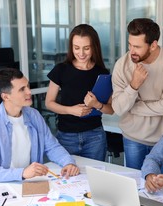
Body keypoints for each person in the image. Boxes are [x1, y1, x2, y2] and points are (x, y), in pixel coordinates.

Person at [0, 68, 79, 187]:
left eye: (28, 86)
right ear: (6, 96)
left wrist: (68, 163)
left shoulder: (34, 115)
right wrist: (22, 173)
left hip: (29, 183)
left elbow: (52, 146)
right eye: (22, 89)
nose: (29, 92)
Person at [112, 18, 163, 171]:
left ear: (153, 45)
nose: (131, 51)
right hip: (133, 138)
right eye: (130, 45)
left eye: (137, 46)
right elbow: (118, 108)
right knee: (136, 189)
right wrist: (133, 86)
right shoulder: (122, 65)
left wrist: (132, 107)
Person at [45, 24, 113, 162]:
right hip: (66, 136)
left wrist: (97, 104)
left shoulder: (102, 74)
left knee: (95, 179)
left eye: (86, 48)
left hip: (95, 136)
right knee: (67, 179)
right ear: (71, 47)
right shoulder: (61, 70)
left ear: (94, 47)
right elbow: (49, 103)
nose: (81, 53)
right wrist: (71, 110)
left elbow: (110, 110)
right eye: (76, 48)